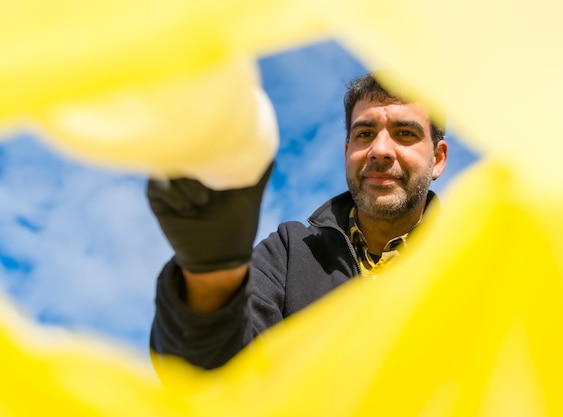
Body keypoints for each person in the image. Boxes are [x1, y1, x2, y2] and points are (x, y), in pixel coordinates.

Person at [147, 72, 449, 370]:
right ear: (347, 153)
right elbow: (214, 382)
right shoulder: (289, 252)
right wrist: (210, 274)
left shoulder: (476, 259)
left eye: (405, 133)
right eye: (365, 134)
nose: (380, 150)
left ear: (437, 159)